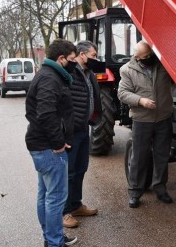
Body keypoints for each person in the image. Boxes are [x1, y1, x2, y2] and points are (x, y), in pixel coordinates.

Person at [25, 39, 78, 247]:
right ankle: (55, 242)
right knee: (55, 198)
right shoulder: (50, 78)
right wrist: (58, 143)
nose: (74, 63)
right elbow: (46, 114)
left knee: (45, 195)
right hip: (48, 148)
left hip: (41, 145)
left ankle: (50, 237)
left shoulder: (48, 74)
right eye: (72, 60)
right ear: (61, 59)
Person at [118, 41, 174, 208]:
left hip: (163, 117)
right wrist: (140, 100)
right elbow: (122, 93)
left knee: (162, 155)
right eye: (145, 57)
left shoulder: (162, 65)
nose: (149, 58)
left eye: (151, 55)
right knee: (139, 157)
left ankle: (160, 188)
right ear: (137, 57)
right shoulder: (127, 70)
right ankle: (135, 192)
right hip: (142, 120)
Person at [63, 41, 102, 228]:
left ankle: (76, 204)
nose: (95, 58)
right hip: (71, 130)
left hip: (84, 127)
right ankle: (64, 212)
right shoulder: (71, 72)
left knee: (80, 168)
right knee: (68, 172)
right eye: (93, 55)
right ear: (82, 54)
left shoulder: (89, 72)